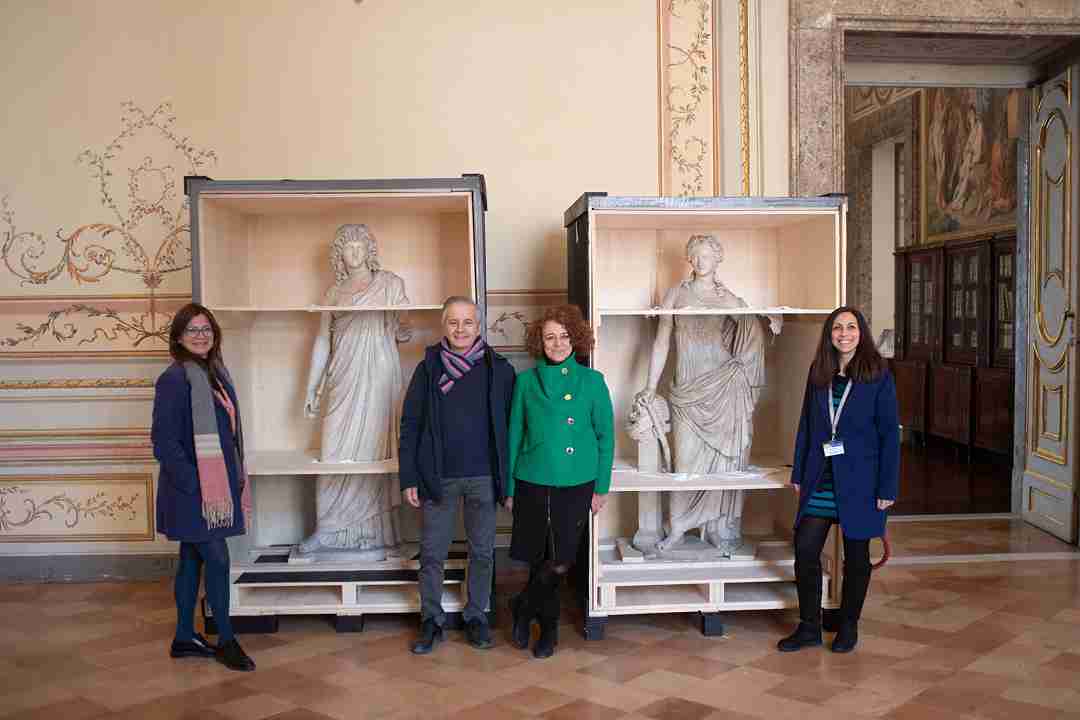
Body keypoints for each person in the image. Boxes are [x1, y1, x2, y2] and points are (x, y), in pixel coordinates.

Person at [634, 234, 779, 555]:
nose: (700, 261)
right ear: (689, 259)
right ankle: (679, 528)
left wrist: (768, 320)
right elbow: (661, 342)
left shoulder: (729, 299)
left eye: (707, 256)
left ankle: (717, 527)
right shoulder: (676, 294)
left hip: (724, 387)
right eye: (695, 255)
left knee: (722, 464)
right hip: (687, 388)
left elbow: (751, 329)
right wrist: (649, 385)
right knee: (684, 463)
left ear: (718, 259)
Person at [399, 296, 516, 654]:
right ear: (443, 326)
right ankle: (431, 621)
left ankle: (476, 616)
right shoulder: (428, 369)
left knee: (483, 552)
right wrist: (409, 478)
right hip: (439, 477)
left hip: (484, 477)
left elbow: (514, 431)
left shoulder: (500, 370)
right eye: (453, 322)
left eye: (468, 322)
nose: (461, 329)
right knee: (432, 553)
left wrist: (509, 483)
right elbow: (411, 425)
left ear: (478, 326)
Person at [779, 306, 898, 654]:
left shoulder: (878, 374)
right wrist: (799, 473)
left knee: (858, 559)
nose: (843, 333)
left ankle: (848, 626)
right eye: (837, 328)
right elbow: (806, 426)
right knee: (804, 549)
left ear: (861, 332)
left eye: (850, 327)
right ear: (829, 335)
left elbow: (890, 433)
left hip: (862, 482)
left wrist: (887, 488)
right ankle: (809, 627)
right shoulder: (819, 372)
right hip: (820, 478)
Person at [506, 304, 614, 659]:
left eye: (564, 336)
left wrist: (601, 487)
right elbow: (513, 436)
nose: (557, 343)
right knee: (540, 558)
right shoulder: (525, 382)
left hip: (577, 480)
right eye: (549, 336)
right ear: (540, 341)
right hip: (533, 478)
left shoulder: (592, 381)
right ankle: (548, 630)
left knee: (561, 560)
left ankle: (522, 606)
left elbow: (606, 437)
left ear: (576, 339)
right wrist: (508, 488)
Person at [152, 303, 256, 672]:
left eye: (206, 329)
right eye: (193, 330)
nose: (201, 335)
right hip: (192, 493)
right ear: (179, 337)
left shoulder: (214, 375)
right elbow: (163, 443)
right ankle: (226, 640)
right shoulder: (175, 379)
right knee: (217, 558)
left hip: (214, 488)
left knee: (192, 559)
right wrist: (196, 486)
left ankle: (184, 637)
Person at [300, 223, 410, 556]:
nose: (355, 252)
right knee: (334, 453)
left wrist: (401, 323)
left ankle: (375, 534)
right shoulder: (333, 293)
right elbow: (322, 340)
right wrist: (311, 386)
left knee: (374, 452)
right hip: (342, 375)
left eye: (361, 245)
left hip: (378, 376)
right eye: (348, 248)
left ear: (370, 250)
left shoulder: (390, 284)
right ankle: (328, 530)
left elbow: (404, 330)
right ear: (339, 256)